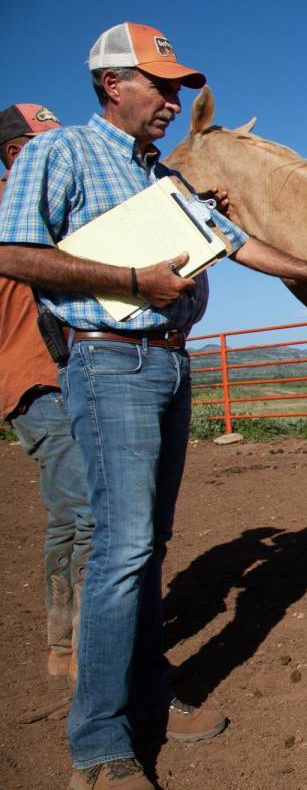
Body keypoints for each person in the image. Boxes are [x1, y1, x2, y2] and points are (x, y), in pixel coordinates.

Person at [0, 22, 307, 790]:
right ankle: (100, 745)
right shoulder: (61, 152)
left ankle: (147, 697)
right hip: (110, 360)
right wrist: (131, 279)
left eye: (180, 87)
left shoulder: (160, 177)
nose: (175, 100)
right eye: (161, 84)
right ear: (113, 84)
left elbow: (236, 242)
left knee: (147, 545)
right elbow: (10, 252)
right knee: (122, 549)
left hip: (169, 367)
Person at [0, 103, 95, 694]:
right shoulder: (24, 214)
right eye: (46, 144)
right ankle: (93, 656)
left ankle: (65, 646)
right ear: (16, 152)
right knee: (90, 515)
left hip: (45, 380)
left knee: (69, 516)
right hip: (41, 381)